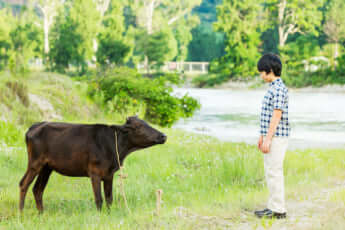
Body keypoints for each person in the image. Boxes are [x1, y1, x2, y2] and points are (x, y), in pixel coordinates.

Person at [255, 53, 290, 219]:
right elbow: (266, 115)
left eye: (261, 72)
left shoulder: (279, 89)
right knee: (270, 171)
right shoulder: (273, 88)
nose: (261, 75)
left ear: (269, 70)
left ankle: (278, 210)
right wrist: (262, 137)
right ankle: (273, 206)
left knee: (274, 172)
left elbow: (276, 116)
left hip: (276, 137)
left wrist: (268, 139)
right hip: (270, 136)